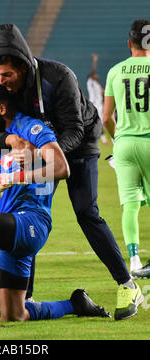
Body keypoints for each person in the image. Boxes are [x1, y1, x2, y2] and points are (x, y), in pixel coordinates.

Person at [0, 24, 142, 321]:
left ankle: (128, 285)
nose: (2, 81)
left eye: (7, 75)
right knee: (26, 212)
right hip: (40, 150)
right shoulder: (7, 92)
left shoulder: (59, 78)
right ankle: (24, 297)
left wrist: (43, 156)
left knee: (86, 212)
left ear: (21, 64)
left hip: (79, 146)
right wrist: (8, 140)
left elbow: (75, 130)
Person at [0, 79, 111, 328]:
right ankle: (75, 304)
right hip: (13, 224)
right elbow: (10, 195)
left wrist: (17, 175)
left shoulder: (34, 130)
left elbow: (62, 167)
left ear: (2, 109)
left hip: (32, 221)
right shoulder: (5, 138)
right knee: (14, 314)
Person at [103, 19, 150, 279]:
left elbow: (107, 117)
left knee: (130, 205)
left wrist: (117, 140)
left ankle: (133, 260)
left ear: (129, 43)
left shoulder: (115, 71)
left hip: (125, 144)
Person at [86, 53, 109, 145]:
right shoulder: (90, 82)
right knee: (99, 123)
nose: (97, 75)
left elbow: (103, 93)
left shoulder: (98, 85)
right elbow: (93, 72)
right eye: (95, 75)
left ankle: (98, 138)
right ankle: (104, 140)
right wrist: (95, 61)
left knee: (101, 122)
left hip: (100, 105)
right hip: (95, 105)